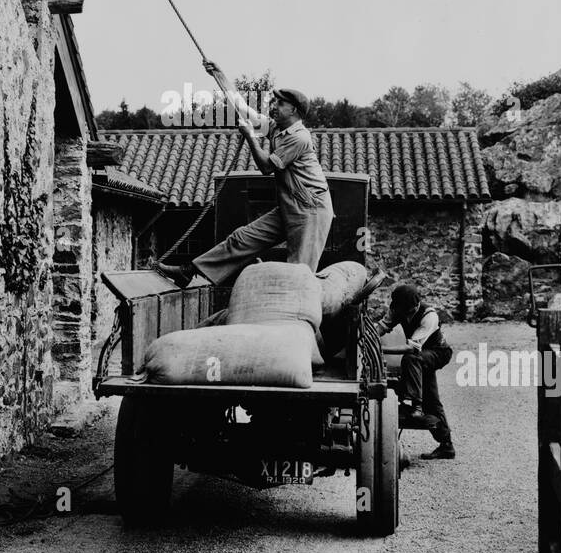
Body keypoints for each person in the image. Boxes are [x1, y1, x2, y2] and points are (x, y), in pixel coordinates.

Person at [155, 62, 334, 287]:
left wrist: (250, 136)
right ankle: (189, 270)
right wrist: (218, 74)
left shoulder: (299, 137)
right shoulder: (276, 127)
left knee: (299, 273)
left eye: (280, 103)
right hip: (291, 205)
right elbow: (241, 106)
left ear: (294, 110)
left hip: (311, 210)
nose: (274, 106)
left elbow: (267, 167)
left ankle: (298, 319)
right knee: (241, 238)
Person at [378, 282, 456, 460]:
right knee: (432, 399)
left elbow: (412, 348)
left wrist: (382, 351)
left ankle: (416, 406)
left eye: (410, 312)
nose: (406, 316)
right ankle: (446, 445)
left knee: (411, 359)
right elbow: (382, 327)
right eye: (402, 312)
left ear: (416, 306)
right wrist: (367, 338)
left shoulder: (429, 316)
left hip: (438, 352)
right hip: (421, 358)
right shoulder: (397, 308)